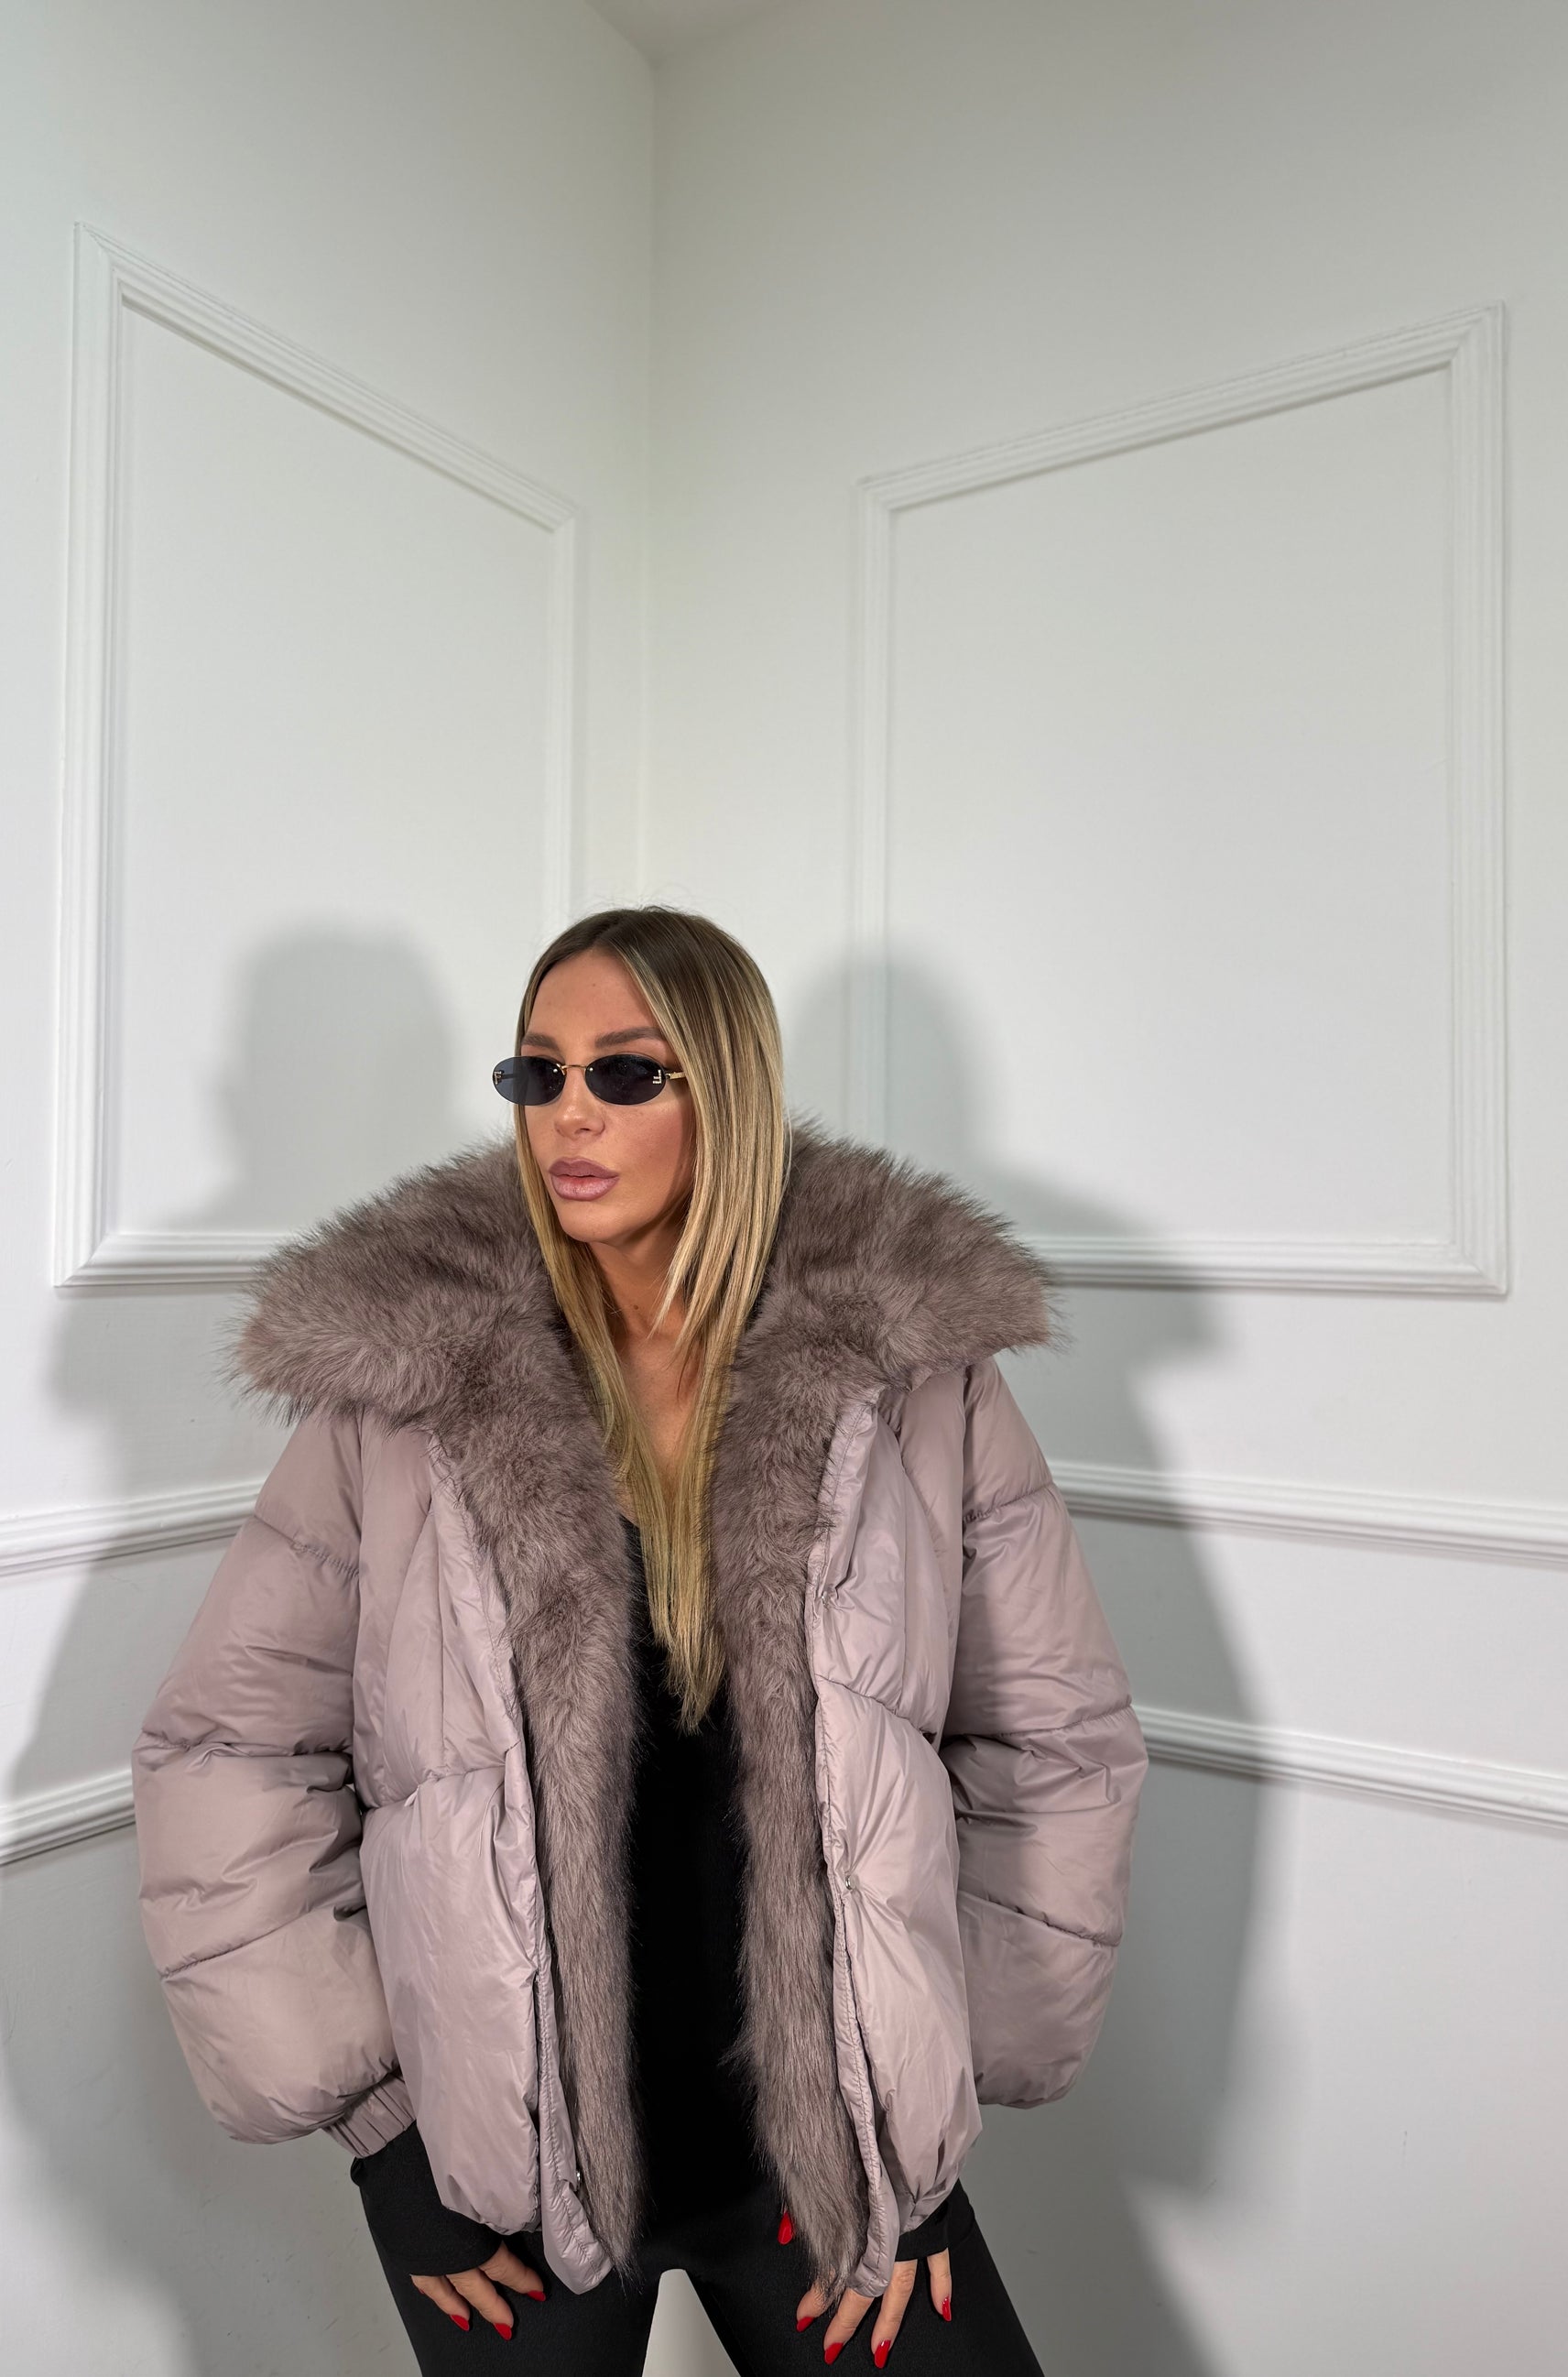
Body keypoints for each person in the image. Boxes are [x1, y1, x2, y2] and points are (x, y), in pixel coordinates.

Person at [132, 905, 1149, 2372]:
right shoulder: (406, 1394)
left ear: (723, 1093)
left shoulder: (915, 1384)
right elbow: (229, 1751)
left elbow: (1050, 1742)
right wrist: (382, 2135)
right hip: (500, 2176)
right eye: (536, 1074)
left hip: (824, 2167)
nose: (567, 1116)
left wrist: (914, 2122)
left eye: (622, 1073)